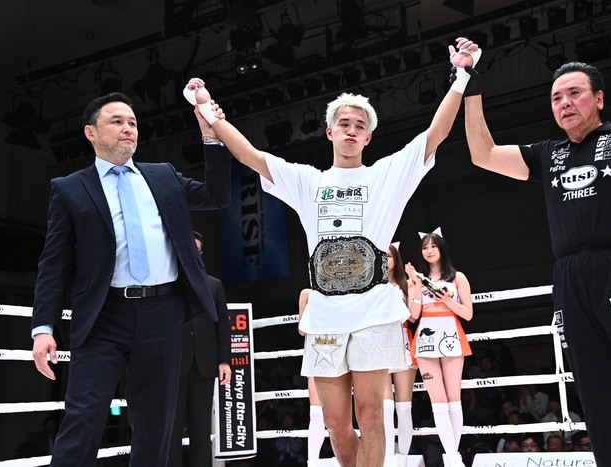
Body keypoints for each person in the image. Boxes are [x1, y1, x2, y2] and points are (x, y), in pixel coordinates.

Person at [184, 36, 481, 467]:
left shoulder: (387, 175)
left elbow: (436, 133)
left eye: (360, 125)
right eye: (344, 122)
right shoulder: (308, 180)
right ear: (330, 131)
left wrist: (461, 76)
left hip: (375, 311)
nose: (351, 129)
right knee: (337, 424)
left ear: (369, 137)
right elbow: (250, 156)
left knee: (372, 415)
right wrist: (210, 113)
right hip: (325, 314)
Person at [462, 59, 611, 466]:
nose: (564, 102)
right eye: (556, 98)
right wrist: (471, 90)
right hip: (571, 279)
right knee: (596, 395)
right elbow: (483, 154)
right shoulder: (549, 154)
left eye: (574, 93)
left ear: (599, 98)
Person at [30, 91, 232, 467]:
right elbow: (54, 264)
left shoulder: (163, 176)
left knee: (156, 427)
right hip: (102, 315)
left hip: (163, 312)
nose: (128, 128)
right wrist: (44, 327)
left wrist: (211, 135)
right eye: (117, 121)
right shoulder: (70, 188)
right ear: (91, 132)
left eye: (133, 122)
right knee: (83, 417)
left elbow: (217, 195)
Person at [406, 228, 473, 467]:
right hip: (426, 340)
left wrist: (446, 300)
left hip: (451, 334)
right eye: (425, 247)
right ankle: (452, 456)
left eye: (433, 246)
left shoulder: (458, 278)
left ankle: (453, 456)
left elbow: (468, 314)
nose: (429, 250)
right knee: (438, 401)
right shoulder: (416, 280)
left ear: (442, 248)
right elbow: (413, 316)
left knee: (454, 399)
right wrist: (415, 284)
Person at [169, 231, 233, 467]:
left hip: (205, 363)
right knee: (172, 427)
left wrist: (225, 361)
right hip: (174, 363)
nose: (194, 254)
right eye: (190, 249)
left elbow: (223, 326)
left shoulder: (214, 285)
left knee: (201, 427)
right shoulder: (167, 284)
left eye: (198, 250)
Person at [383, 242, 418, 466]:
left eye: (388, 256)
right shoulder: (370, 287)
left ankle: (403, 460)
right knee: (384, 409)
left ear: (396, 259)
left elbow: (413, 316)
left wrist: (414, 284)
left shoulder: (405, 285)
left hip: (402, 340)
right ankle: (388, 459)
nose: (385, 260)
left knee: (403, 408)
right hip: (378, 345)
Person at [297, 288, 327, 463]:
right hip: (318, 350)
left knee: (342, 415)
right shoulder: (307, 294)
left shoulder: (346, 290)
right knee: (316, 413)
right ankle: (313, 462)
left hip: (343, 349)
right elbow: (302, 330)